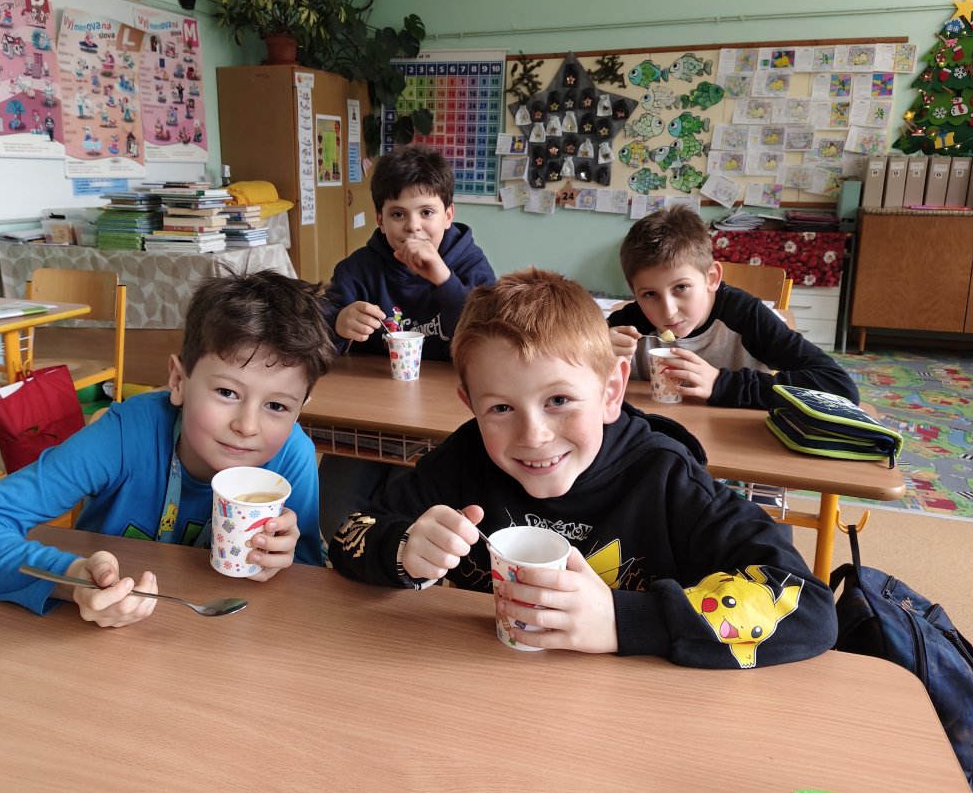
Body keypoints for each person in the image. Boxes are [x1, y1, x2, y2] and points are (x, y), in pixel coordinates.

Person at [328, 268, 837, 668]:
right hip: (479, 695)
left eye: (559, 400)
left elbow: (805, 605)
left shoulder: (665, 476)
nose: (533, 435)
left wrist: (622, 621)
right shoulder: (464, 457)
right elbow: (352, 534)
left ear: (612, 390)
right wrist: (403, 550)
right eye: (500, 408)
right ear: (470, 404)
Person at [0, 270, 335, 628]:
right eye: (227, 392)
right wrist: (72, 579)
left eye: (277, 406)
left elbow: (310, 583)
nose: (247, 426)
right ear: (178, 381)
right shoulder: (124, 435)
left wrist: (284, 563)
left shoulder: (291, 455)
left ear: (300, 409)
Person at [317, 144, 496, 540]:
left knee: (410, 507)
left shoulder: (469, 263)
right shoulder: (359, 269)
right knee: (334, 511)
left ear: (448, 215)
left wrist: (443, 280)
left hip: (442, 420)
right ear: (380, 221)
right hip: (367, 415)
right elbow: (315, 327)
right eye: (398, 214)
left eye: (426, 212)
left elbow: (491, 332)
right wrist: (338, 321)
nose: (413, 227)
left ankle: (395, 557)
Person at [608, 205, 858, 410]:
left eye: (681, 287)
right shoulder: (632, 322)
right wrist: (595, 352)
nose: (669, 311)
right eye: (650, 294)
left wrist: (722, 383)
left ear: (712, 278)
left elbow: (840, 387)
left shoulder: (746, 316)